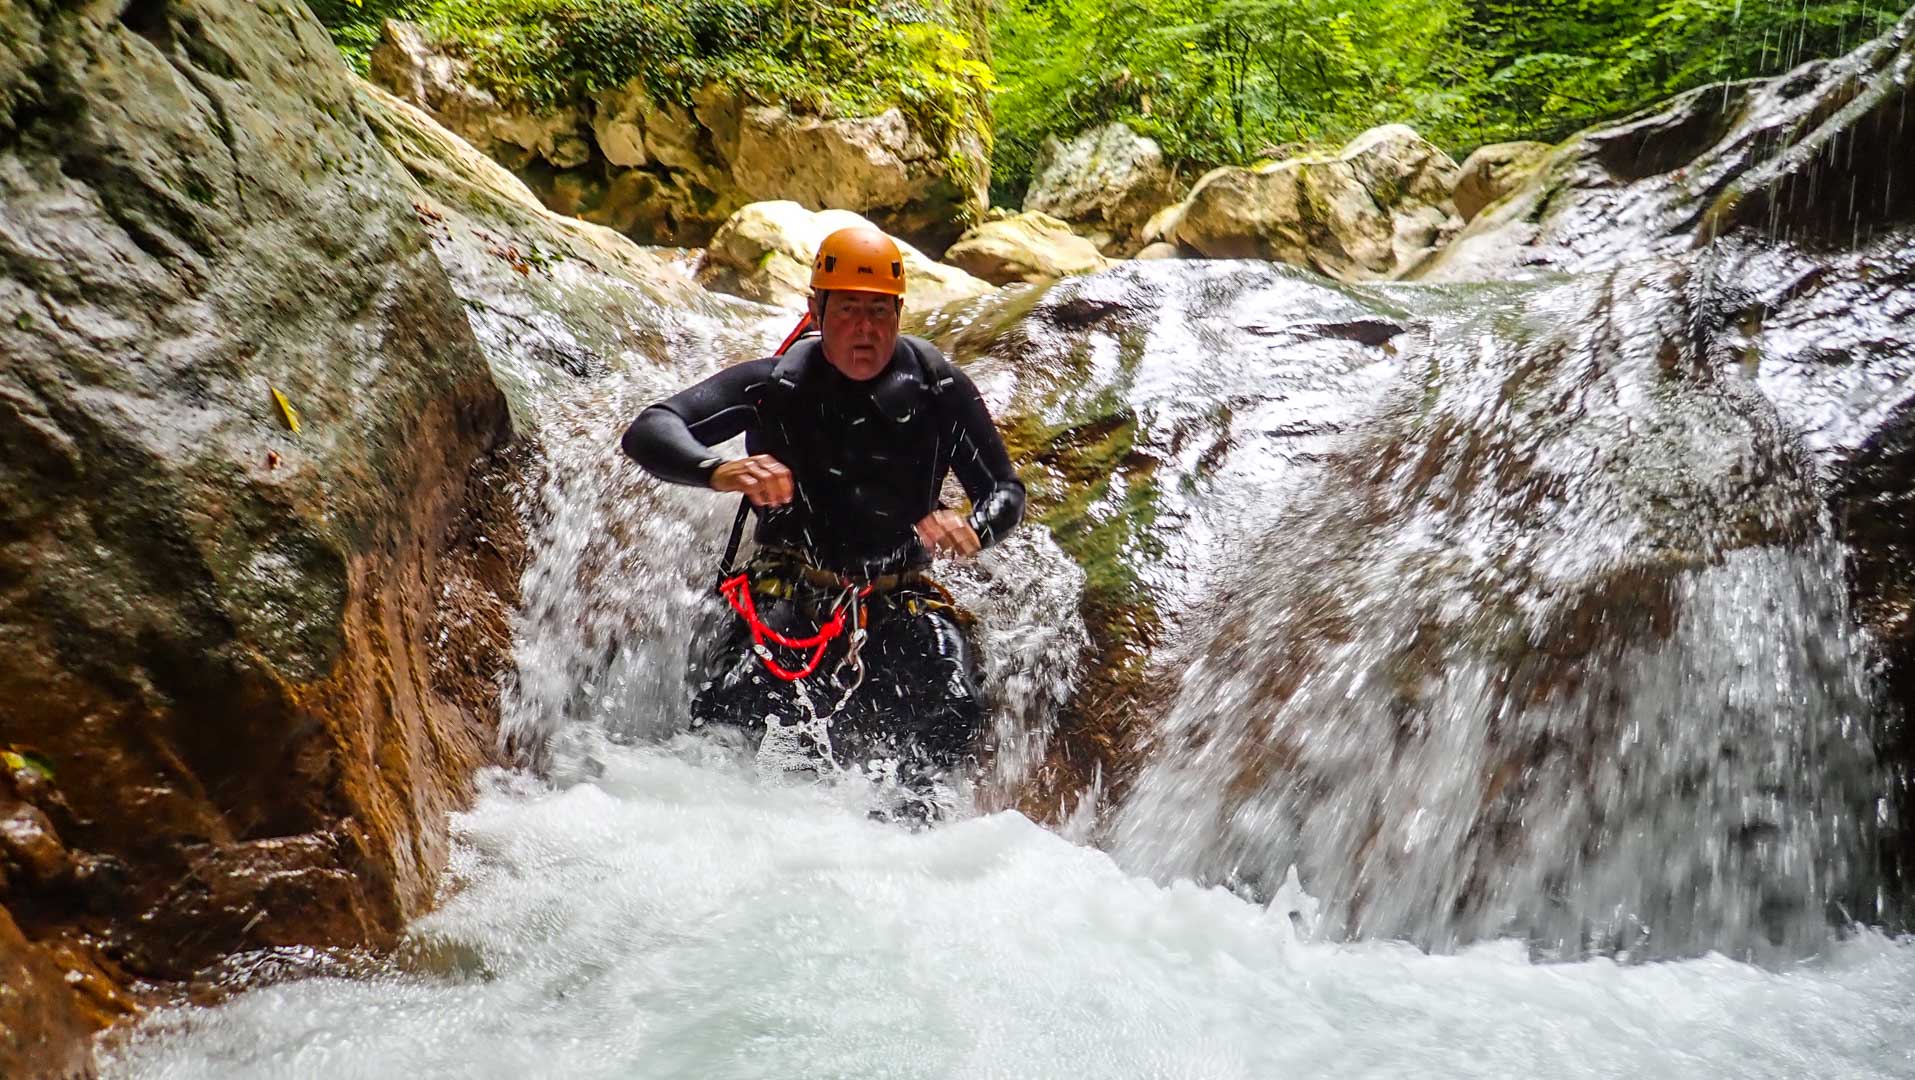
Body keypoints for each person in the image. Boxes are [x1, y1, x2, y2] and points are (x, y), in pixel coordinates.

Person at [620, 226, 1025, 779]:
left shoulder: (936, 389)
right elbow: (652, 427)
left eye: (880, 312)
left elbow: (1004, 490)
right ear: (815, 309)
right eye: (849, 310)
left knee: (956, 706)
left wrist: (976, 526)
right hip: (793, 599)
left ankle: (913, 827)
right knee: (727, 715)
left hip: (895, 603)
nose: (866, 329)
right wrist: (718, 470)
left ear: (900, 314)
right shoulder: (776, 387)